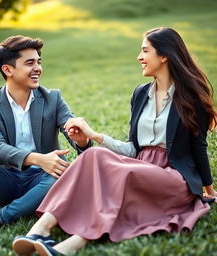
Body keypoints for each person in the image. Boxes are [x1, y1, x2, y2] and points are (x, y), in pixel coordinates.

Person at [12, 27, 217, 256]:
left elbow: (199, 146)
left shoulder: (190, 97)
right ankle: (40, 230)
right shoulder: (140, 94)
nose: (140, 57)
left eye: (144, 51)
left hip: (172, 176)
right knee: (92, 154)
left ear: (164, 55)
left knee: (121, 178)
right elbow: (133, 148)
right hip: (142, 164)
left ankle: (71, 246)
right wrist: (94, 136)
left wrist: (208, 189)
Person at [0, 35, 91, 249]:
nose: (38, 68)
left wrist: (82, 141)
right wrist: (38, 159)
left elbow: (77, 139)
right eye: (30, 63)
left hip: (43, 181)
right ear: (7, 70)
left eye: (39, 61)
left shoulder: (53, 98)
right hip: (4, 181)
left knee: (63, 175)